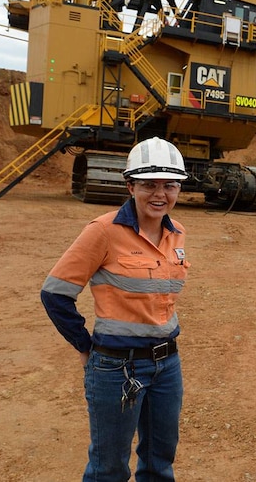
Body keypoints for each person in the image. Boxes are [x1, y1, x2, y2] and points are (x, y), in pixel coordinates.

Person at [41, 136, 190, 481]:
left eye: (169, 185)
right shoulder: (103, 231)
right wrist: (83, 345)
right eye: (148, 185)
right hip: (116, 367)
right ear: (130, 186)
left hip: (168, 365)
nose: (159, 194)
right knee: (108, 468)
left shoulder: (177, 232)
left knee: (159, 461)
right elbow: (55, 293)